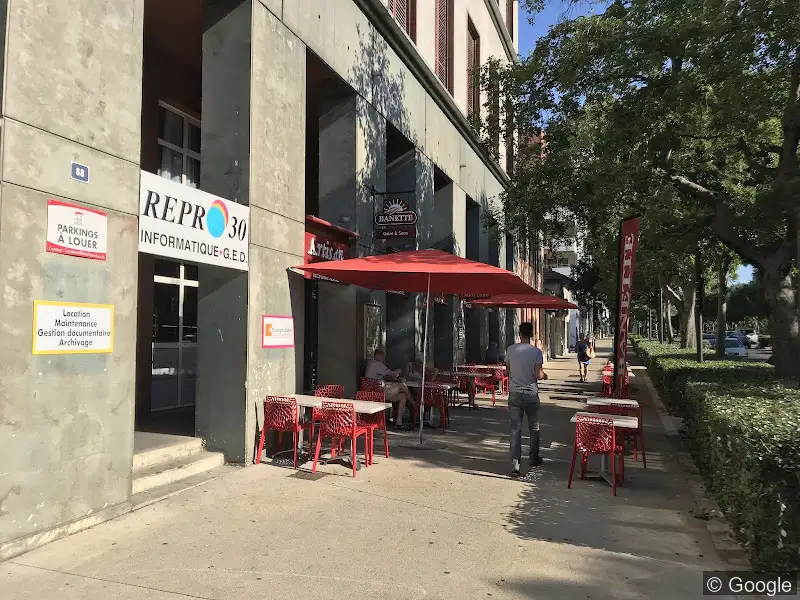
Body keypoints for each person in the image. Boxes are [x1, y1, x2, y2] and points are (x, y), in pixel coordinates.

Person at [505, 322, 547, 477]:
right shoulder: (536, 352)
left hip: (514, 393)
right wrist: (545, 375)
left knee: (515, 429)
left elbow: (508, 370)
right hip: (530, 394)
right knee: (533, 427)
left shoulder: (510, 349)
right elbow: (538, 375)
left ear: (519, 333)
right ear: (532, 334)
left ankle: (515, 465)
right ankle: (534, 457)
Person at [364, 349, 416, 430]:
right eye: (382, 356)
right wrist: (399, 372)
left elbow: (383, 376)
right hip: (378, 392)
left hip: (372, 391)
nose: (383, 358)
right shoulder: (378, 364)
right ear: (379, 355)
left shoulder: (370, 363)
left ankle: (399, 423)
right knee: (402, 386)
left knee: (402, 396)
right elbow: (392, 374)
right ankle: (414, 405)